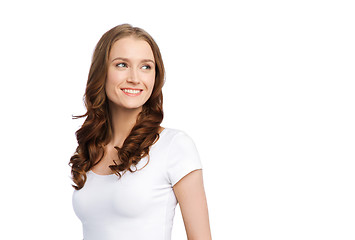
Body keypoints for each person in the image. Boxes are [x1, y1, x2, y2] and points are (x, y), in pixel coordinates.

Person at [69, 24, 211, 240]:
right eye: (122, 64)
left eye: (146, 67)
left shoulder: (174, 146)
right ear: (101, 72)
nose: (135, 78)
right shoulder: (91, 149)